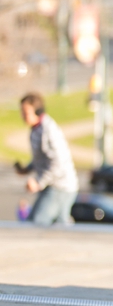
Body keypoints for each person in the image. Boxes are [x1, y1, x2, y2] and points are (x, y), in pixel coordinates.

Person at [14, 92, 78, 226]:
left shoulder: (48, 130)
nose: (23, 116)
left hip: (60, 186)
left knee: (36, 223)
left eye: (26, 112)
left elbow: (57, 162)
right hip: (52, 185)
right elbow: (43, 158)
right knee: (58, 226)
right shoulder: (36, 129)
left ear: (38, 111)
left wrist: (38, 182)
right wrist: (27, 169)